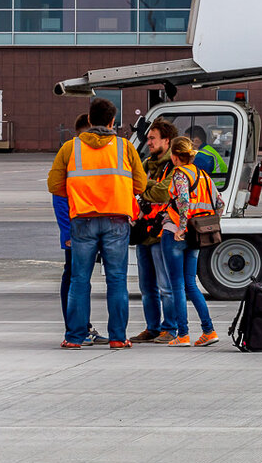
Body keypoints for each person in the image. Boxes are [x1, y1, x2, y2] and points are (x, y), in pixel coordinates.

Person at [48, 97, 147, 349]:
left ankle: (74, 337)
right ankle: (117, 337)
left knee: (80, 280)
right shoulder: (125, 147)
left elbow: (54, 185)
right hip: (116, 220)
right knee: (116, 279)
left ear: (89, 120)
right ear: (113, 122)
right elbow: (141, 185)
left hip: (83, 219)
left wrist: (78, 192)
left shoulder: (71, 148)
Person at [160, 136, 221, 347]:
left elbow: (184, 200)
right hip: (198, 234)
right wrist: (207, 222)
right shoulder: (203, 175)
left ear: (175, 156)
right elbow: (219, 203)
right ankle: (208, 330)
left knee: (176, 285)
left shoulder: (179, 174)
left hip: (177, 232)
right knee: (191, 284)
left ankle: (183, 334)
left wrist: (181, 227)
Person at [55, 113, 106, 345]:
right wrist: (66, 233)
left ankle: (81, 326)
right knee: (75, 278)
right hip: (76, 228)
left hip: (88, 226)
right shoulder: (71, 152)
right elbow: (59, 196)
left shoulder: (84, 154)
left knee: (79, 279)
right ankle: (77, 328)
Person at [130, 118, 179, 344]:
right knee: (146, 287)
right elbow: (136, 187)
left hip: (162, 234)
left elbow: (163, 193)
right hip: (145, 233)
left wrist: (144, 186)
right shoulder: (147, 164)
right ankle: (152, 328)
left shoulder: (174, 166)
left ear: (166, 141)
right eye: (148, 138)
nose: (148, 142)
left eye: (152, 138)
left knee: (165, 286)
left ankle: (170, 328)